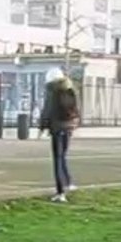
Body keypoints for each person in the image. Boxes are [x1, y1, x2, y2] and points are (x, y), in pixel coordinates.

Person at [39, 66, 80, 202]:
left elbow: (48, 110)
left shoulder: (53, 92)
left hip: (57, 128)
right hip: (68, 127)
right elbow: (76, 108)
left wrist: (42, 126)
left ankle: (60, 192)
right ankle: (68, 182)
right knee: (63, 157)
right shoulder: (70, 90)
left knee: (57, 159)